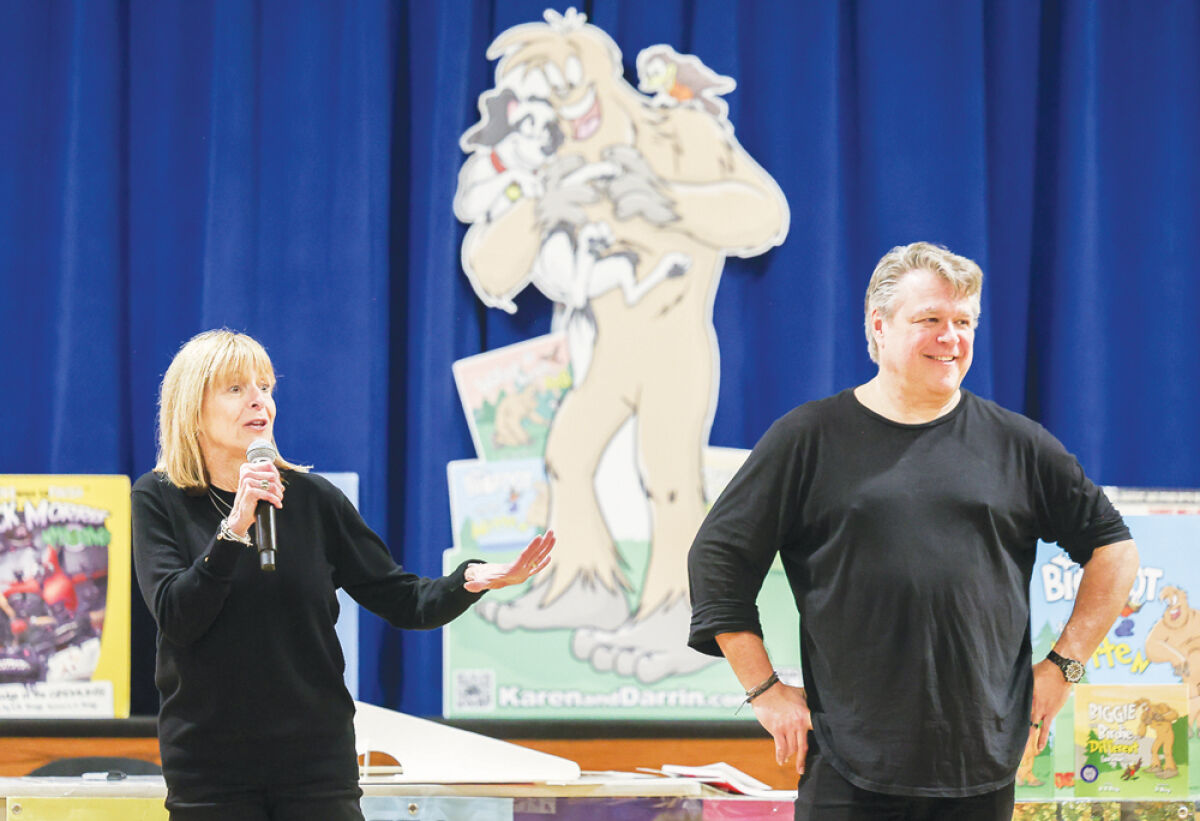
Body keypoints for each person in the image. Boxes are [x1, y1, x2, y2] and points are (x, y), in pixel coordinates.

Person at [687, 242, 1139, 820]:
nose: (951, 337)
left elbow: (1113, 550)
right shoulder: (809, 438)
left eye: (964, 322)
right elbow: (717, 558)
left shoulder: (1018, 444)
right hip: (848, 763)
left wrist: (1063, 667)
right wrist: (764, 690)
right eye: (930, 320)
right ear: (879, 326)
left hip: (983, 764)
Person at [133, 329, 555, 821]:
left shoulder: (315, 501)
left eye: (265, 387)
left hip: (315, 765)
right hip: (211, 769)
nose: (259, 401)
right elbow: (178, 616)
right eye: (236, 389)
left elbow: (405, 601)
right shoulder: (158, 499)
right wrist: (235, 528)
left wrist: (470, 579)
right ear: (192, 408)